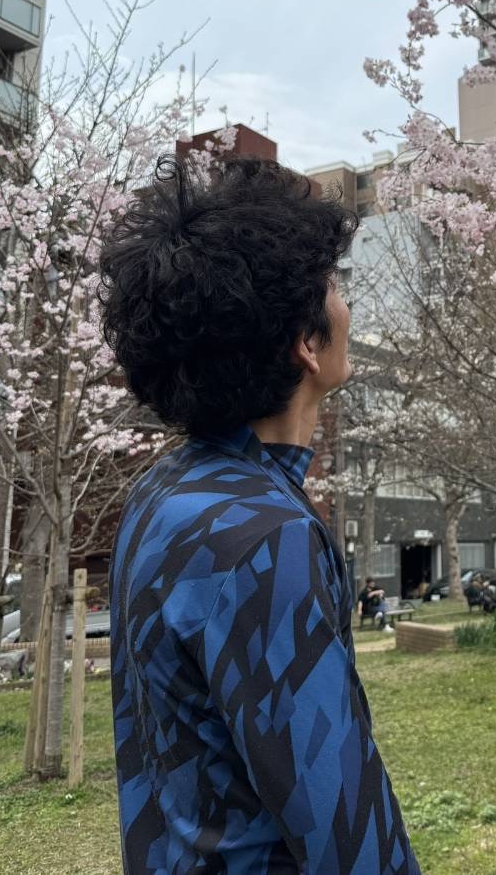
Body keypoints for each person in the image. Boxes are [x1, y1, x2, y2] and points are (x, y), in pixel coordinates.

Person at [100, 157, 419, 874]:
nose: (345, 305)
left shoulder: (161, 492)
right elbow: (346, 831)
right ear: (306, 343)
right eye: (334, 287)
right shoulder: (263, 537)